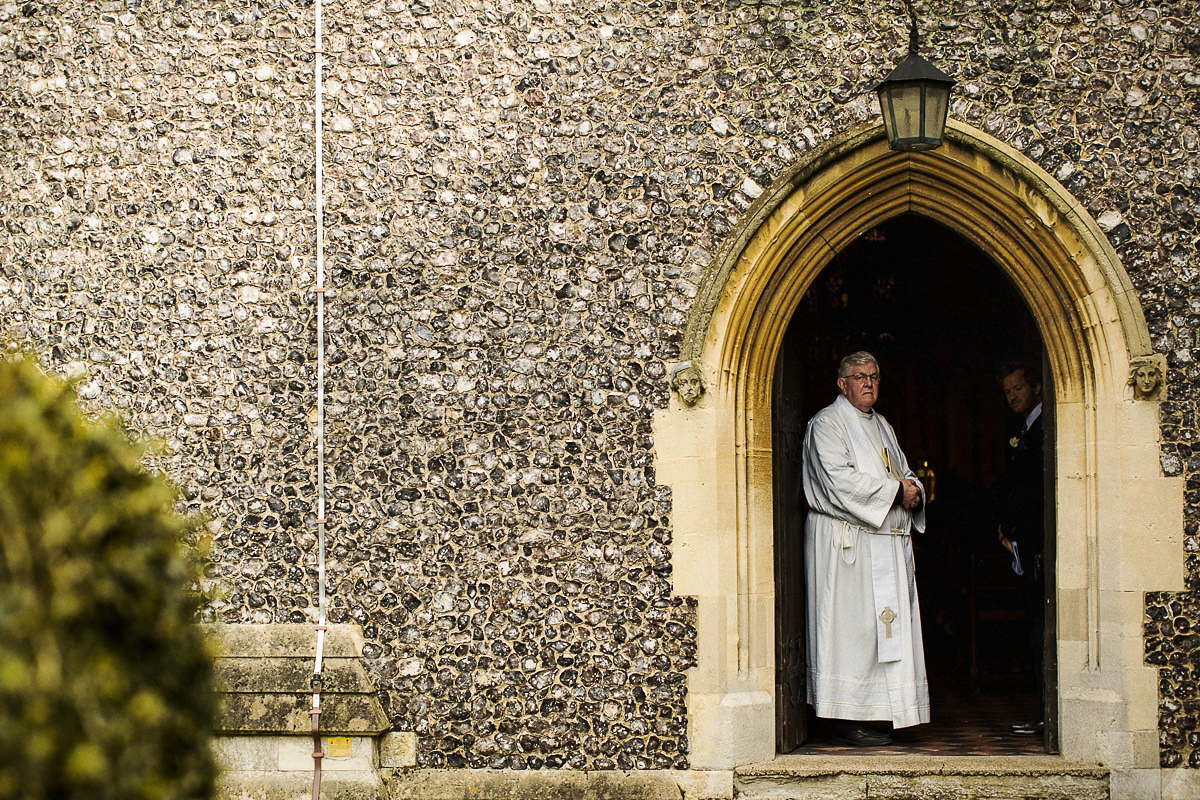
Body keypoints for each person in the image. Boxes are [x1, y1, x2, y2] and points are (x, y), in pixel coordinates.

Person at [801, 351, 929, 746]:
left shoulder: (883, 425)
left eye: (874, 375)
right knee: (852, 634)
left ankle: (881, 712)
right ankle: (844, 717)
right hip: (847, 549)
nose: (869, 383)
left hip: (884, 546)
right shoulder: (827, 423)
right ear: (843, 384)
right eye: (859, 377)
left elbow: (903, 472)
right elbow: (840, 482)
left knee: (882, 634)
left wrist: (914, 490)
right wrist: (896, 491)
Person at [994, 362, 1046, 736]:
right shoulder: (1024, 429)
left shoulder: (1044, 430)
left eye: (1018, 388)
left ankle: (1048, 713)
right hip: (1024, 541)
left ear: (1037, 387)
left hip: (1040, 542)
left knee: (1043, 627)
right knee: (1034, 625)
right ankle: (1043, 710)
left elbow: (1033, 490)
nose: (1012, 396)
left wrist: (1016, 526)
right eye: (1007, 391)